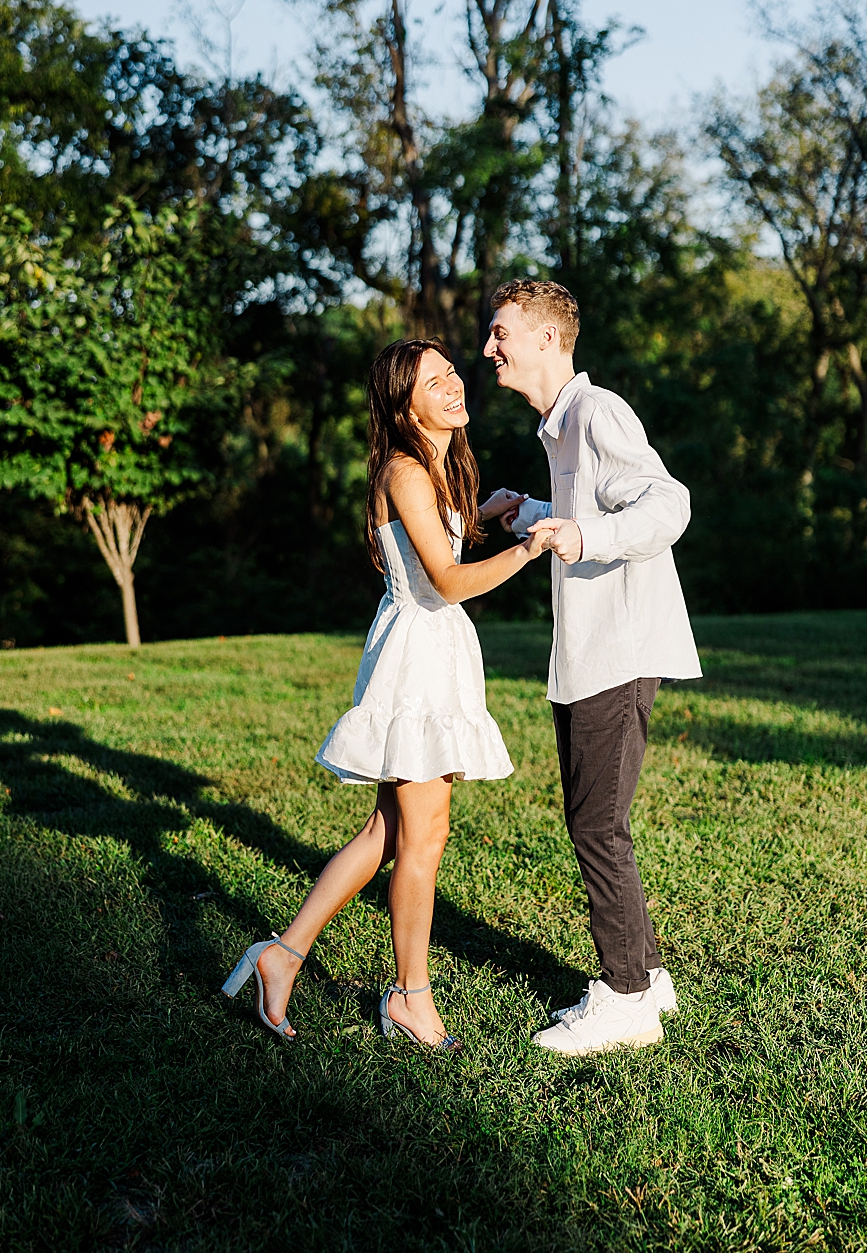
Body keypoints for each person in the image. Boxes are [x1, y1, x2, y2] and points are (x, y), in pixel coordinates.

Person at [221, 337, 549, 1051]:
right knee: (423, 840)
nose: (455, 385)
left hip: (430, 650)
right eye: (434, 383)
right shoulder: (405, 469)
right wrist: (527, 547)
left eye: (452, 372)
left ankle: (283, 954)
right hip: (418, 658)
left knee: (389, 833)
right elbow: (450, 582)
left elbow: (439, 543)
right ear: (405, 405)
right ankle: (409, 996)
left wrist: (486, 513)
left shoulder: (431, 466)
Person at [483, 279, 701, 1056]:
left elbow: (665, 504)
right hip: (594, 651)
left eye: (500, 333)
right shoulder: (560, 427)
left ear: (547, 338)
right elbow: (591, 515)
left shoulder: (597, 410)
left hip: (618, 649)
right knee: (599, 820)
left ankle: (626, 998)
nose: (489, 348)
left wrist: (582, 538)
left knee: (596, 826)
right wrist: (532, 513)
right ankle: (647, 972)